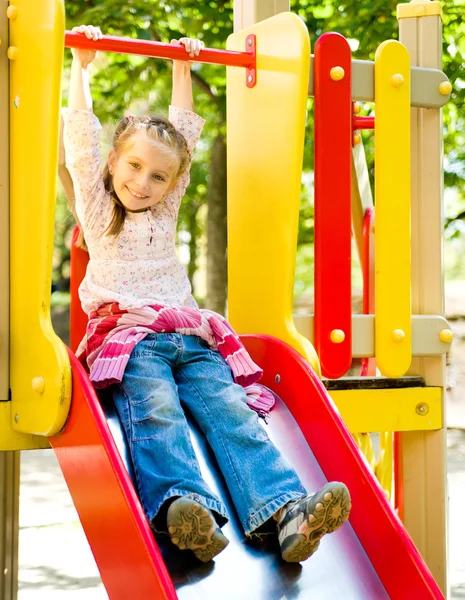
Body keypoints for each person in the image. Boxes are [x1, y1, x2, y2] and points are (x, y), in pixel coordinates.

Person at [63, 24, 351, 565]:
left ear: (173, 186)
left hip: (190, 336)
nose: (143, 182)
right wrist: (80, 67)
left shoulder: (165, 206)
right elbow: (80, 147)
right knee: (157, 410)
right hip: (129, 341)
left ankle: (287, 513)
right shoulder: (101, 213)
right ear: (114, 165)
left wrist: (181, 65)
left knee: (230, 410)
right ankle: (183, 510)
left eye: (158, 176)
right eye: (133, 166)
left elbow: (184, 138)